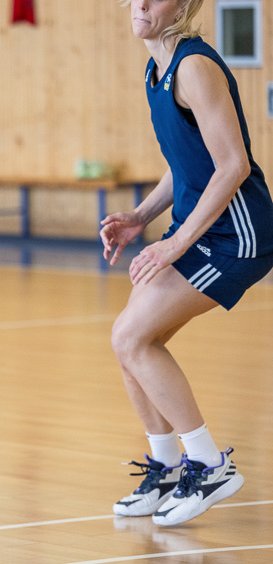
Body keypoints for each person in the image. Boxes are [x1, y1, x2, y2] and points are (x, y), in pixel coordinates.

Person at [102, 0, 273, 526]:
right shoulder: (157, 66)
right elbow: (186, 163)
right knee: (128, 341)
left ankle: (208, 464)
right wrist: (141, 215)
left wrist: (174, 245)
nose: (141, 4)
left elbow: (232, 165)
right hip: (200, 226)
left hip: (237, 234)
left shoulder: (195, 66)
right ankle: (169, 465)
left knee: (132, 337)